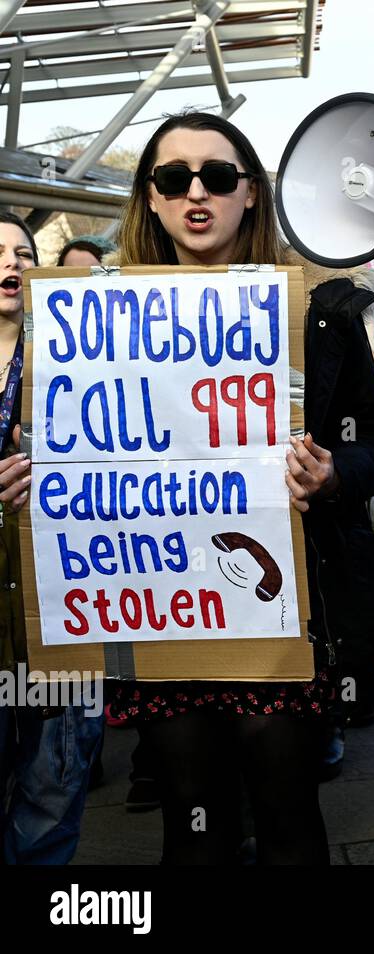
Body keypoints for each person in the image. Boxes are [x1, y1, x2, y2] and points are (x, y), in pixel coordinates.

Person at [99, 111, 374, 864]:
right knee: (192, 826)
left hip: (285, 610)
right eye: (174, 178)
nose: (198, 193)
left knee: (289, 816)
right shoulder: (95, 319)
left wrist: (331, 471)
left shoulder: (321, 314)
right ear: (153, 198)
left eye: (219, 177)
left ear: (251, 194)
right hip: (162, 605)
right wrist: (32, 476)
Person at [0, 211, 106, 865]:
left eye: (21, 251)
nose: (9, 262)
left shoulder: (83, 363)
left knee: (50, 797)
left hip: (63, 615)